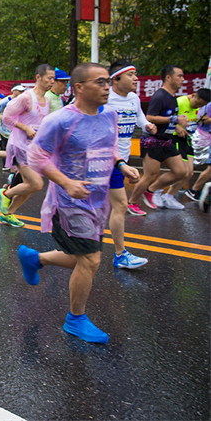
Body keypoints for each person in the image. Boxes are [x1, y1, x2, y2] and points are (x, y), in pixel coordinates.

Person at [17, 63, 140, 344]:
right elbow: (36, 157)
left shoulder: (110, 114)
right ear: (80, 87)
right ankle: (75, 319)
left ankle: (34, 258)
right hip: (68, 202)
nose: (107, 87)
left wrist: (121, 164)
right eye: (100, 82)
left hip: (97, 200)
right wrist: (66, 183)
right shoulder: (60, 120)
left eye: (108, 81)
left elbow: (107, 147)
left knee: (82, 258)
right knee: (91, 260)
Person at [105, 60, 155, 268]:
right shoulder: (104, 99)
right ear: (116, 78)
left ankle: (120, 254)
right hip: (99, 161)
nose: (136, 78)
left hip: (119, 161)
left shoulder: (134, 98)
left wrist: (147, 125)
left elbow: (139, 118)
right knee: (86, 206)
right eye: (130, 74)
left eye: (136, 74)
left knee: (120, 205)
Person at [0, 64, 55, 227]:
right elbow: (7, 117)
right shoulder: (26, 97)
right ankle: (4, 193)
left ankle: (8, 214)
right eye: (49, 78)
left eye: (53, 79)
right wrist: (25, 128)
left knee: (29, 187)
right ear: (38, 77)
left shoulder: (46, 100)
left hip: (34, 148)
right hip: (19, 146)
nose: (52, 82)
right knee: (36, 184)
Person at [128, 66, 188, 211]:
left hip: (167, 141)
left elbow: (168, 120)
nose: (182, 79)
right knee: (150, 175)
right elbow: (150, 117)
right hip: (152, 141)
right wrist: (173, 119)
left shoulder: (173, 97)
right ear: (168, 77)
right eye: (179, 76)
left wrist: (177, 125)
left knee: (181, 172)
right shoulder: (159, 96)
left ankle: (151, 190)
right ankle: (132, 202)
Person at [162, 88, 211, 201]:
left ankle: (169, 197)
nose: (197, 106)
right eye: (197, 103)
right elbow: (162, 118)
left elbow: (195, 122)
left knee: (189, 173)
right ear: (193, 95)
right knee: (181, 172)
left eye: (201, 105)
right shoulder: (179, 102)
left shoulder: (201, 109)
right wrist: (176, 127)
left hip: (187, 139)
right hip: (174, 138)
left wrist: (204, 120)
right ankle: (155, 189)